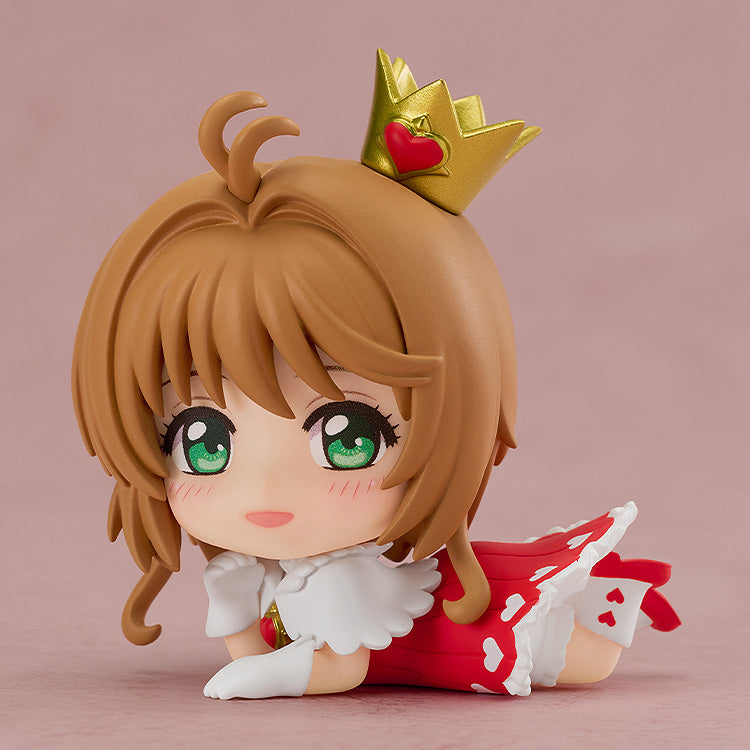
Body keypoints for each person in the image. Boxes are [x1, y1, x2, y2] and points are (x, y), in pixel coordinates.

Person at [72, 51, 679, 699]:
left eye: (348, 436)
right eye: (203, 441)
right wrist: (235, 609)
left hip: (498, 637)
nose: (266, 487)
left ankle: (592, 614)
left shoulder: (346, 582)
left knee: (583, 656)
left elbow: (338, 666)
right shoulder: (285, 576)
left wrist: (255, 667)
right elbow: (260, 648)